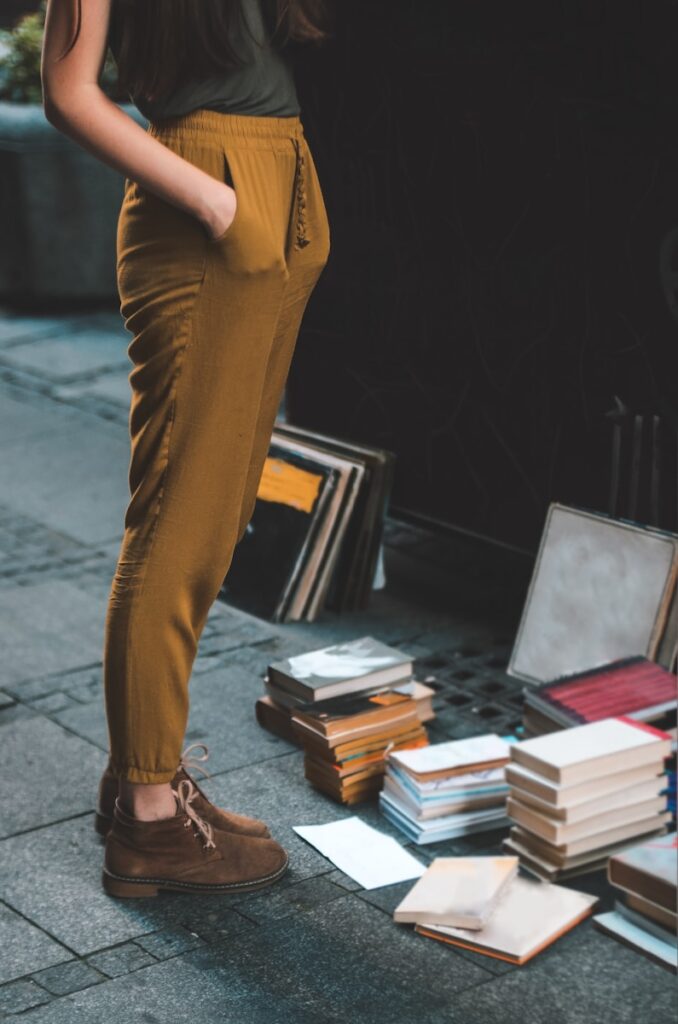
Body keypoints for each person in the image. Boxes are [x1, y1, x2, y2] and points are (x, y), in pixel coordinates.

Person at [41, 0, 332, 899]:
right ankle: (152, 825)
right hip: (209, 194)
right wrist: (211, 195)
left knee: (214, 519)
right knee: (178, 522)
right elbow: (66, 92)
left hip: (276, 186)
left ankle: (145, 776)